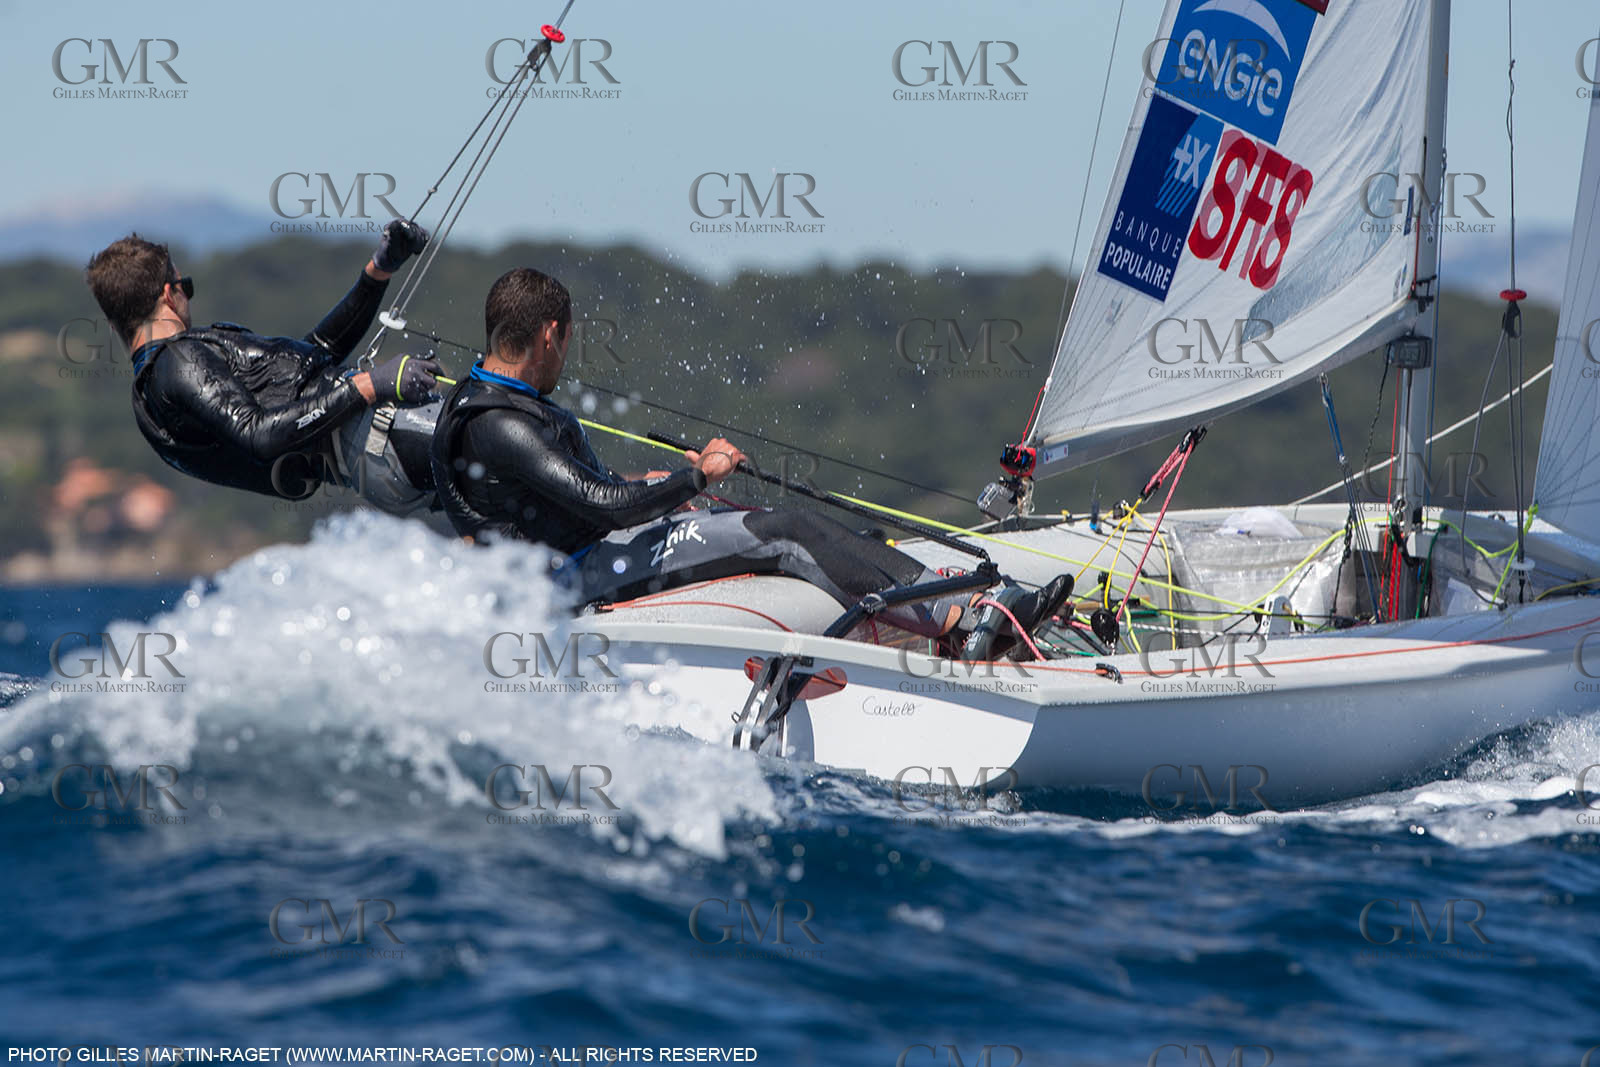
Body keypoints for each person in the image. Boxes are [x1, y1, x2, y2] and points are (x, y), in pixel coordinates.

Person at [430, 267, 1072, 658]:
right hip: (574, 578)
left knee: (805, 529)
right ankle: (965, 624)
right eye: (567, 341)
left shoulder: (492, 403)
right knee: (786, 532)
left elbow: (566, 494)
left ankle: (968, 603)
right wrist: (695, 476)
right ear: (551, 334)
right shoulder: (499, 424)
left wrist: (653, 483)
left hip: (589, 553)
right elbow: (599, 507)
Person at [85, 224, 444, 501]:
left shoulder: (159, 387)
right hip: (379, 438)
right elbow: (259, 435)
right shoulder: (178, 362)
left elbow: (314, 358)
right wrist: (369, 385)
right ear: (169, 293)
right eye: (185, 286)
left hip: (379, 453)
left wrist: (376, 274)